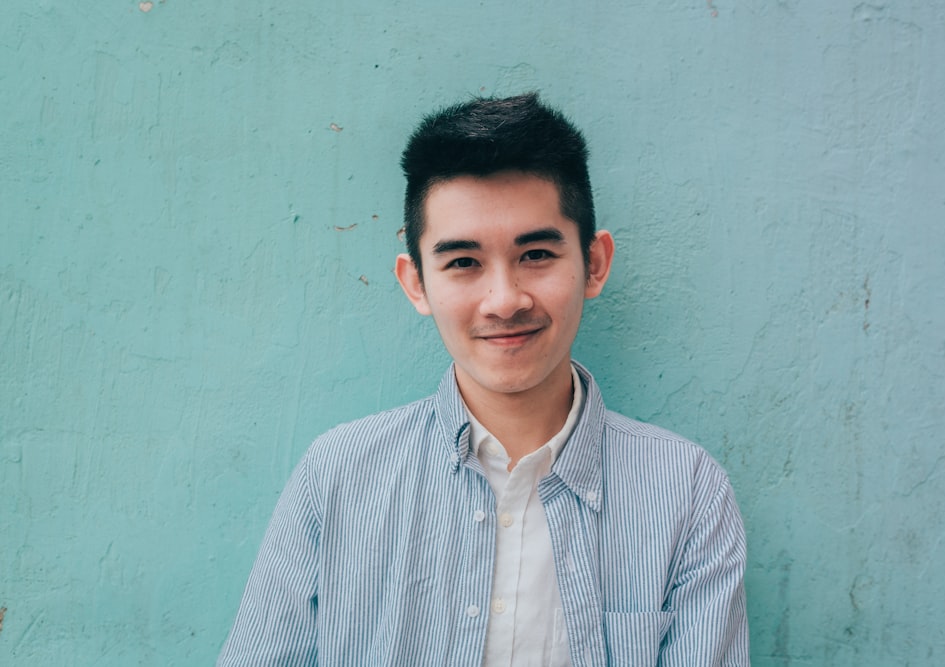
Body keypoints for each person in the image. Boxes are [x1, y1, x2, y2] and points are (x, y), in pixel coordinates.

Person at [218, 92, 749, 666]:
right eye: (463, 262)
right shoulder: (338, 476)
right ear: (416, 282)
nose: (504, 301)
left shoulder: (686, 491)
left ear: (594, 263)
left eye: (538, 254)